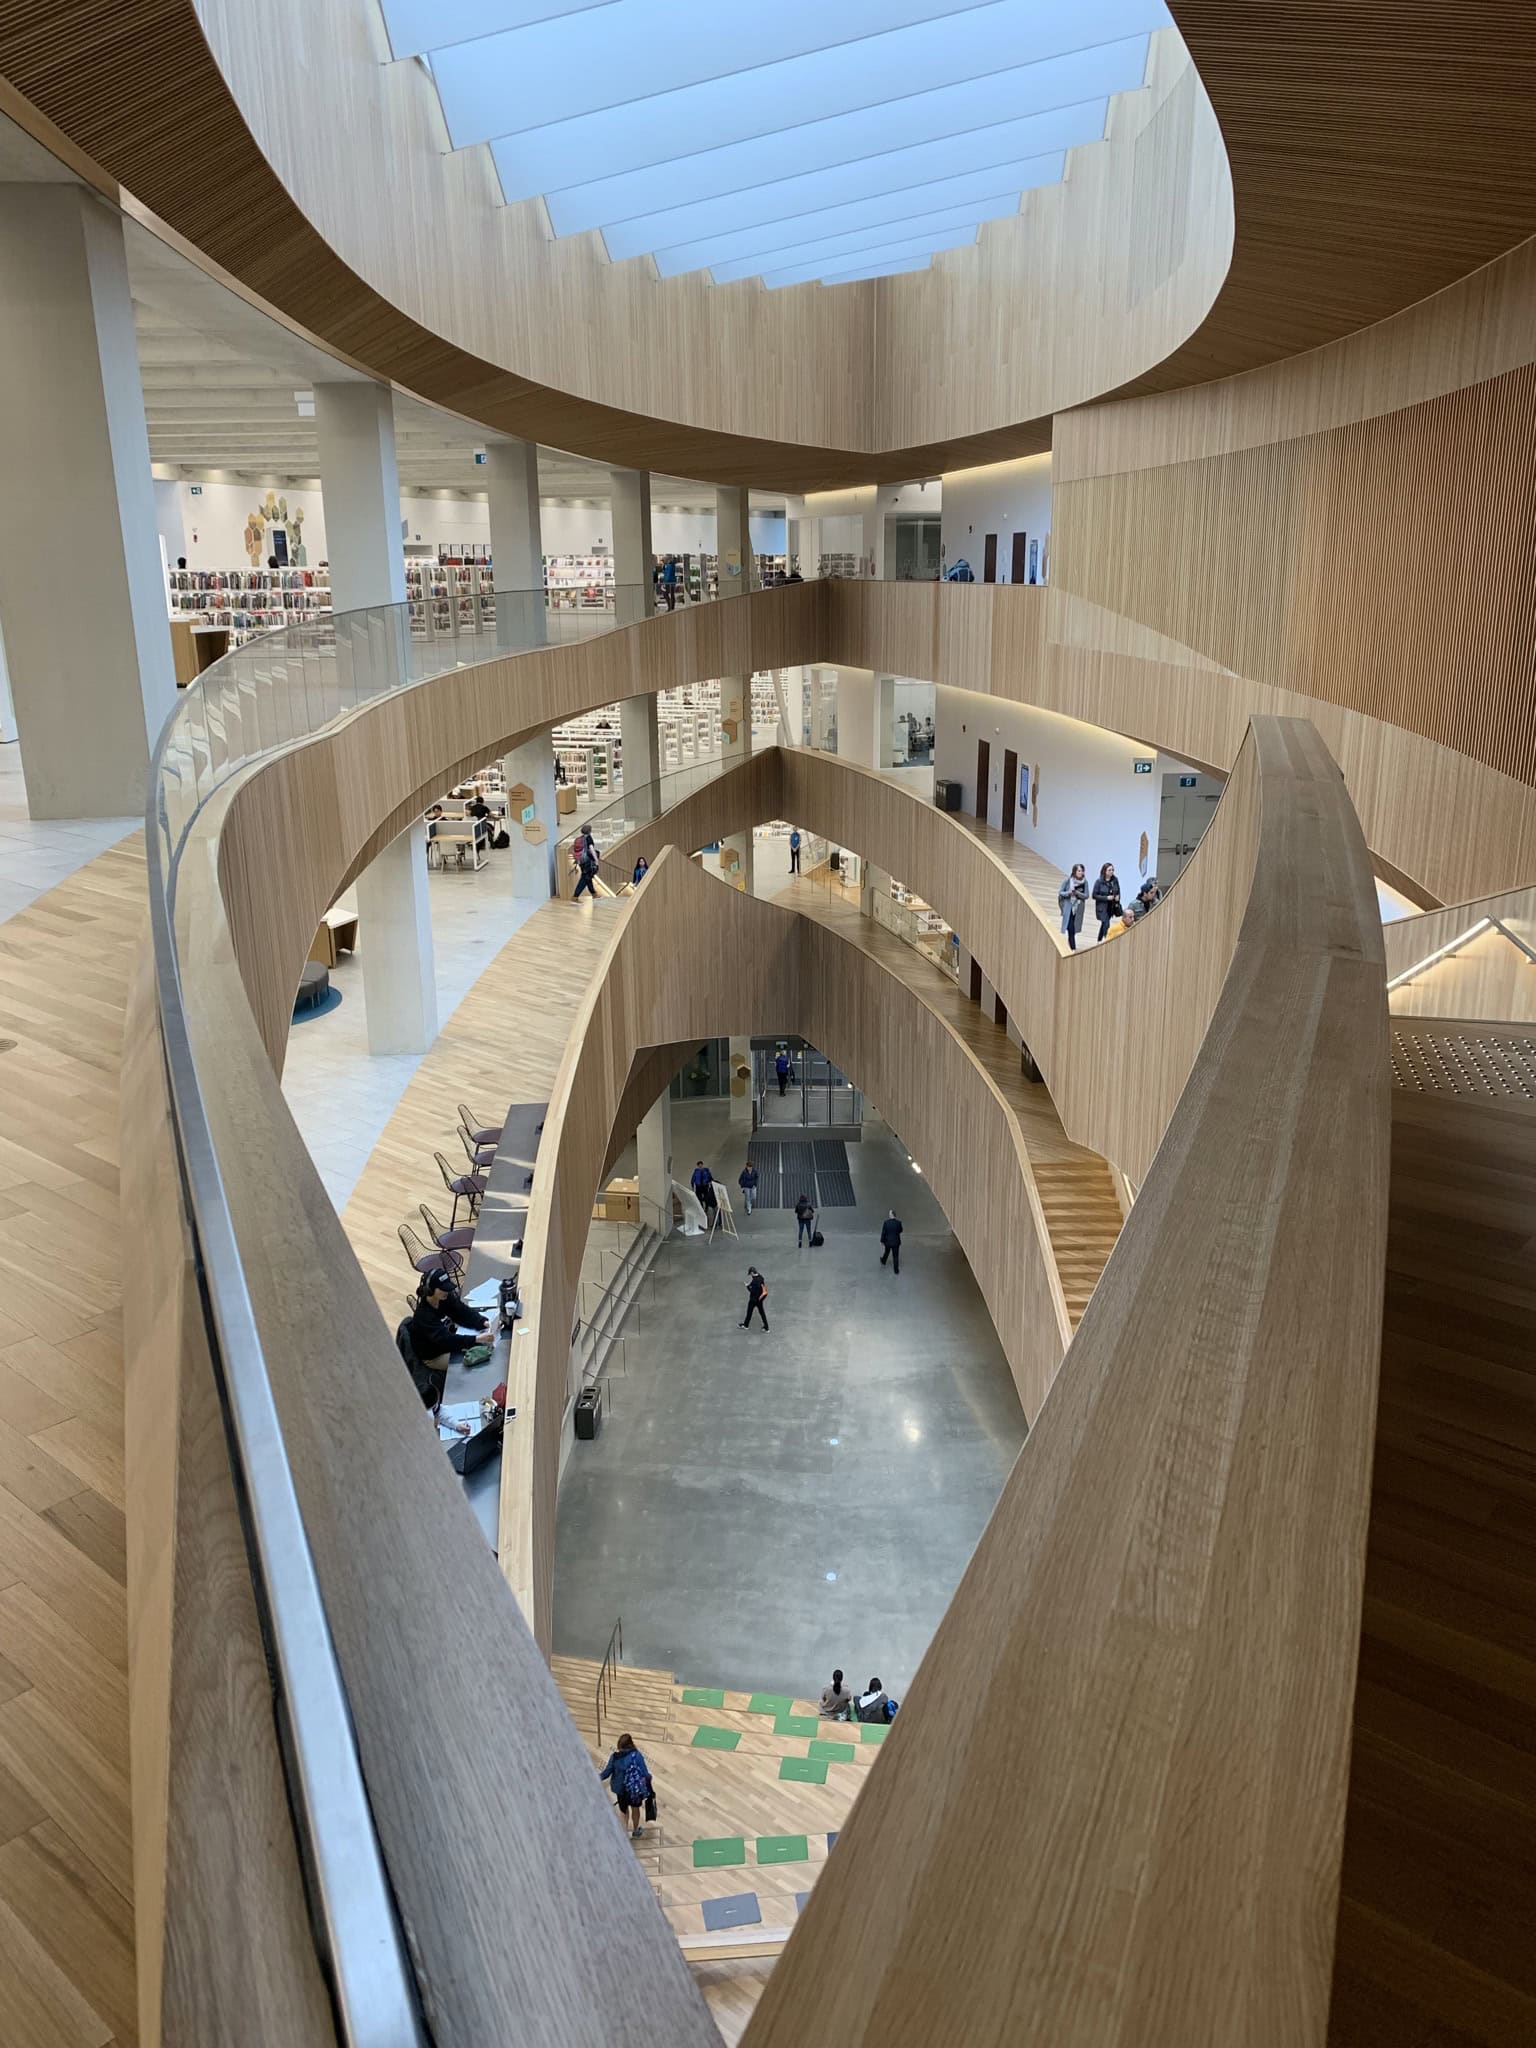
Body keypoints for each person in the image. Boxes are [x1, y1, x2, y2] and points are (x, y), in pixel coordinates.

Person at [404, 1268, 490, 1412]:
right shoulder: (424, 1316)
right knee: (471, 1359)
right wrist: (475, 1339)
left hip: (445, 1342)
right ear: (431, 1290)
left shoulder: (444, 1298)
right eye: (442, 1289)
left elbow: (460, 1311)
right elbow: (445, 1341)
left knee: (476, 1349)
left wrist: (481, 1321)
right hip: (434, 1355)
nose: (446, 1292)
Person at [598, 1732, 654, 1839]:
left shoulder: (615, 1757)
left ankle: (624, 1835)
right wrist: (648, 1779)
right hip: (634, 1790)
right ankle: (636, 1830)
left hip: (621, 1790)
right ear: (631, 1744)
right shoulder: (637, 1755)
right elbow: (645, 1773)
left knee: (623, 1811)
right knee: (635, 1809)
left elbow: (607, 1772)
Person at [1058, 863, 1087, 951]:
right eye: (1079, 870)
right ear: (1074, 871)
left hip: (1078, 908)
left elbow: (1086, 895)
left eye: (1082, 871)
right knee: (1071, 927)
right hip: (1068, 906)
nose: (1081, 872)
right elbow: (1060, 892)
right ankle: (1073, 948)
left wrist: (1077, 893)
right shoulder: (1067, 880)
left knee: (1074, 927)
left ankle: (1070, 943)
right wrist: (1069, 893)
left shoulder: (1085, 882)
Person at [1092, 861, 1122, 943]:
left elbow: (1118, 891)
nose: (1111, 872)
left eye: (1112, 870)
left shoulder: (1115, 880)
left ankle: (1099, 940)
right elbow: (1094, 895)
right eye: (1109, 870)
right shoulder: (1099, 882)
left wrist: (1118, 898)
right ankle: (1107, 941)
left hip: (1111, 907)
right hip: (1102, 908)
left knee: (1104, 924)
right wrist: (1106, 898)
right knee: (1106, 924)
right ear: (1104, 871)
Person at [741, 1265, 770, 1331]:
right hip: (760, 1299)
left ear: (752, 1273)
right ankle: (766, 1327)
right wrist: (750, 1285)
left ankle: (746, 1325)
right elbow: (760, 1285)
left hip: (753, 1300)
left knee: (749, 1312)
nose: (750, 1275)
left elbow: (752, 1291)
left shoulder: (754, 1281)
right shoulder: (761, 1277)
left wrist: (747, 1286)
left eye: (750, 1274)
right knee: (762, 1313)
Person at [879, 1209, 903, 1274]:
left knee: (887, 1252)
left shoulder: (886, 1223)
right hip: (896, 1242)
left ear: (891, 1215)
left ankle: (883, 1261)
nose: (889, 1214)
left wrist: (882, 1241)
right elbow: (901, 1230)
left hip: (888, 1242)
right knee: (895, 1256)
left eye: (889, 1214)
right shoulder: (898, 1223)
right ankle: (896, 1270)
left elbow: (883, 1232)